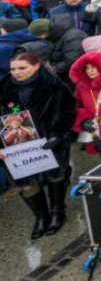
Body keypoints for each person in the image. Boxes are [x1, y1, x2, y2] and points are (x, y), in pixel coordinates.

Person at [0, 52, 75, 239]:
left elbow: (69, 110)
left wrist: (58, 135)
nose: (16, 73)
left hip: (51, 143)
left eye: (22, 68)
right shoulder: (3, 88)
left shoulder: (53, 85)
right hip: (15, 148)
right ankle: (41, 216)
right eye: (13, 69)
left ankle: (58, 211)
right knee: (26, 184)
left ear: (36, 66)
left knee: (55, 177)